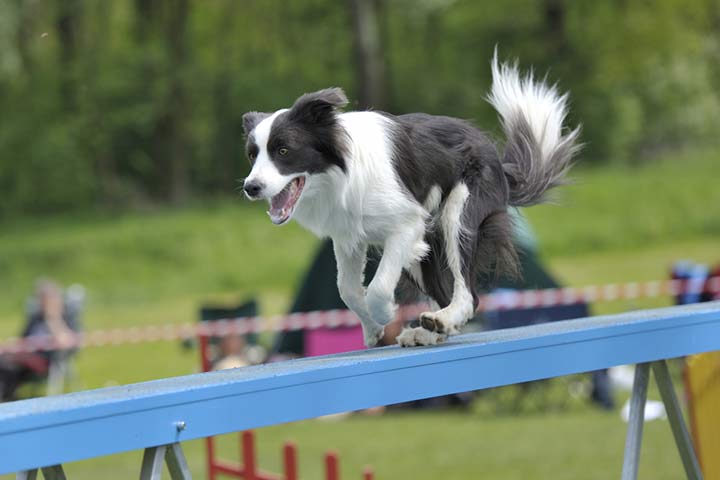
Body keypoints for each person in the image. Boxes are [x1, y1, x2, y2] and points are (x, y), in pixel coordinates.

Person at [0, 280, 81, 401]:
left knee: (7, 365)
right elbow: (23, 339)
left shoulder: (66, 317)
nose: (43, 304)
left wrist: (53, 318)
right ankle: (8, 396)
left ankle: (7, 397)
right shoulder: (36, 317)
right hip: (26, 357)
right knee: (4, 362)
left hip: (49, 360)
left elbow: (65, 343)